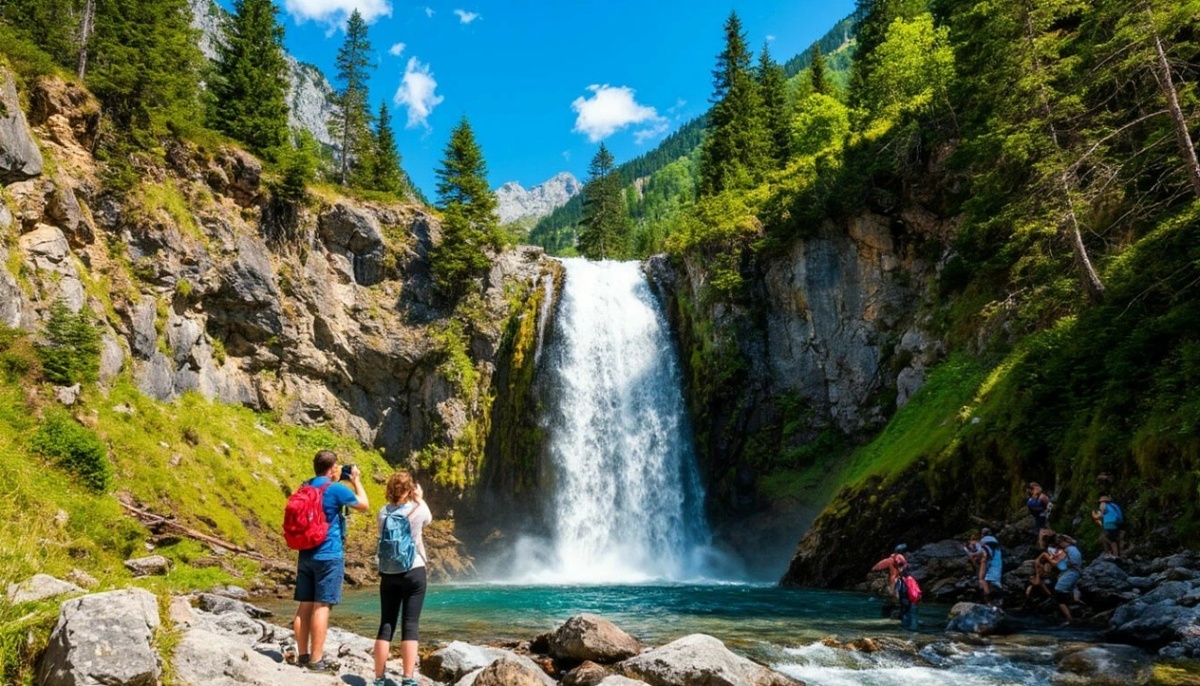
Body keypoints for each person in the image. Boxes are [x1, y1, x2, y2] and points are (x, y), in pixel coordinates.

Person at [292, 450, 369, 671]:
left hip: (305, 554)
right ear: (333, 468)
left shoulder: (304, 487)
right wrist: (356, 481)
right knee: (321, 605)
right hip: (329, 555)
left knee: (304, 605)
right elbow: (364, 505)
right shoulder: (336, 489)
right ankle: (317, 660)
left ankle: (303, 655)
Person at [373, 472, 432, 686]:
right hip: (413, 569)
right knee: (410, 624)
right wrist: (419, 497)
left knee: (386, 623)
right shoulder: (418, 509)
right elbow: (428, 520)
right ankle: (408, 679)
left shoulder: (383, 513)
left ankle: (379, 678)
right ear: (410, 490)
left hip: (388, 573)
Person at [1052, 535, 1085, 624]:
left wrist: (1064, 563)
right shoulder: (1073, 548)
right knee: (1073, 588)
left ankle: (1069, 618)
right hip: (1073, 573)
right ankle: (1077, 606)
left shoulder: (1070, 549)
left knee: (1058, 594)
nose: (1060, 545)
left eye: (1060, 543)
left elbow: (1074, 562)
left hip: (1072, 572)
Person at [977, 530, 1003, 605]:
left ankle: (988, 603)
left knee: (983, 581)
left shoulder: (984, 542)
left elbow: (984, 553)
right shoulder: (996, 543)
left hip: (989, 573)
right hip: (997, 572)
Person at [1026, 482, 1053, 547]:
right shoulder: (1031, 498)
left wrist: (1047, 514)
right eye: (1034, 489)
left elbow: (1048, 507)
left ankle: (1043, 545)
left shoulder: (1042, 497)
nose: (1036, 490)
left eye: (1036, 488)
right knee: (1039, 529)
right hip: (1037, 515)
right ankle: (1041, 543)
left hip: (1043, 515)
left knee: (1042, 529)